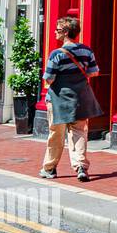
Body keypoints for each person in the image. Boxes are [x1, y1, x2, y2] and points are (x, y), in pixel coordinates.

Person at [39, 16, 104, 182]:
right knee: (79, 132)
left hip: (58, 100)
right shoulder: (87, 51)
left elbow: (49, 79)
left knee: (56, 134)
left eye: (57, 30)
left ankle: (50, 168)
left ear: (66, 32)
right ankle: (81, 167)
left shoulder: (56, 54)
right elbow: (94, 72)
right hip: (79, 99)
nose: (55, 32)